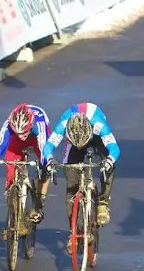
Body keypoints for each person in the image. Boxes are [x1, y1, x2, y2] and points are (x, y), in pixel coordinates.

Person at [42, 102, 119, 250]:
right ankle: (73, 231)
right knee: (71, 185)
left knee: (109, 165)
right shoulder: (64, 124)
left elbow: (114, 149)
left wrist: (108, 161)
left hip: (95, 137)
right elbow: (48, 147)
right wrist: (50, 161)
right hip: (74, 139)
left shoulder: (99, 125)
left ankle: (103, 202)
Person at [0, 104, 53, 225]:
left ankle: (39, 202)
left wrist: (44, 165)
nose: (21, 136)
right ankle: (13, 208)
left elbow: (44, 149)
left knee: (46, 167)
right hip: (17, 136)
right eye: (17, 132)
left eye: (23, 133)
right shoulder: (9, 125)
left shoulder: (39, 123)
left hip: (37, 138)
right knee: (10, 167)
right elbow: (0, 144)